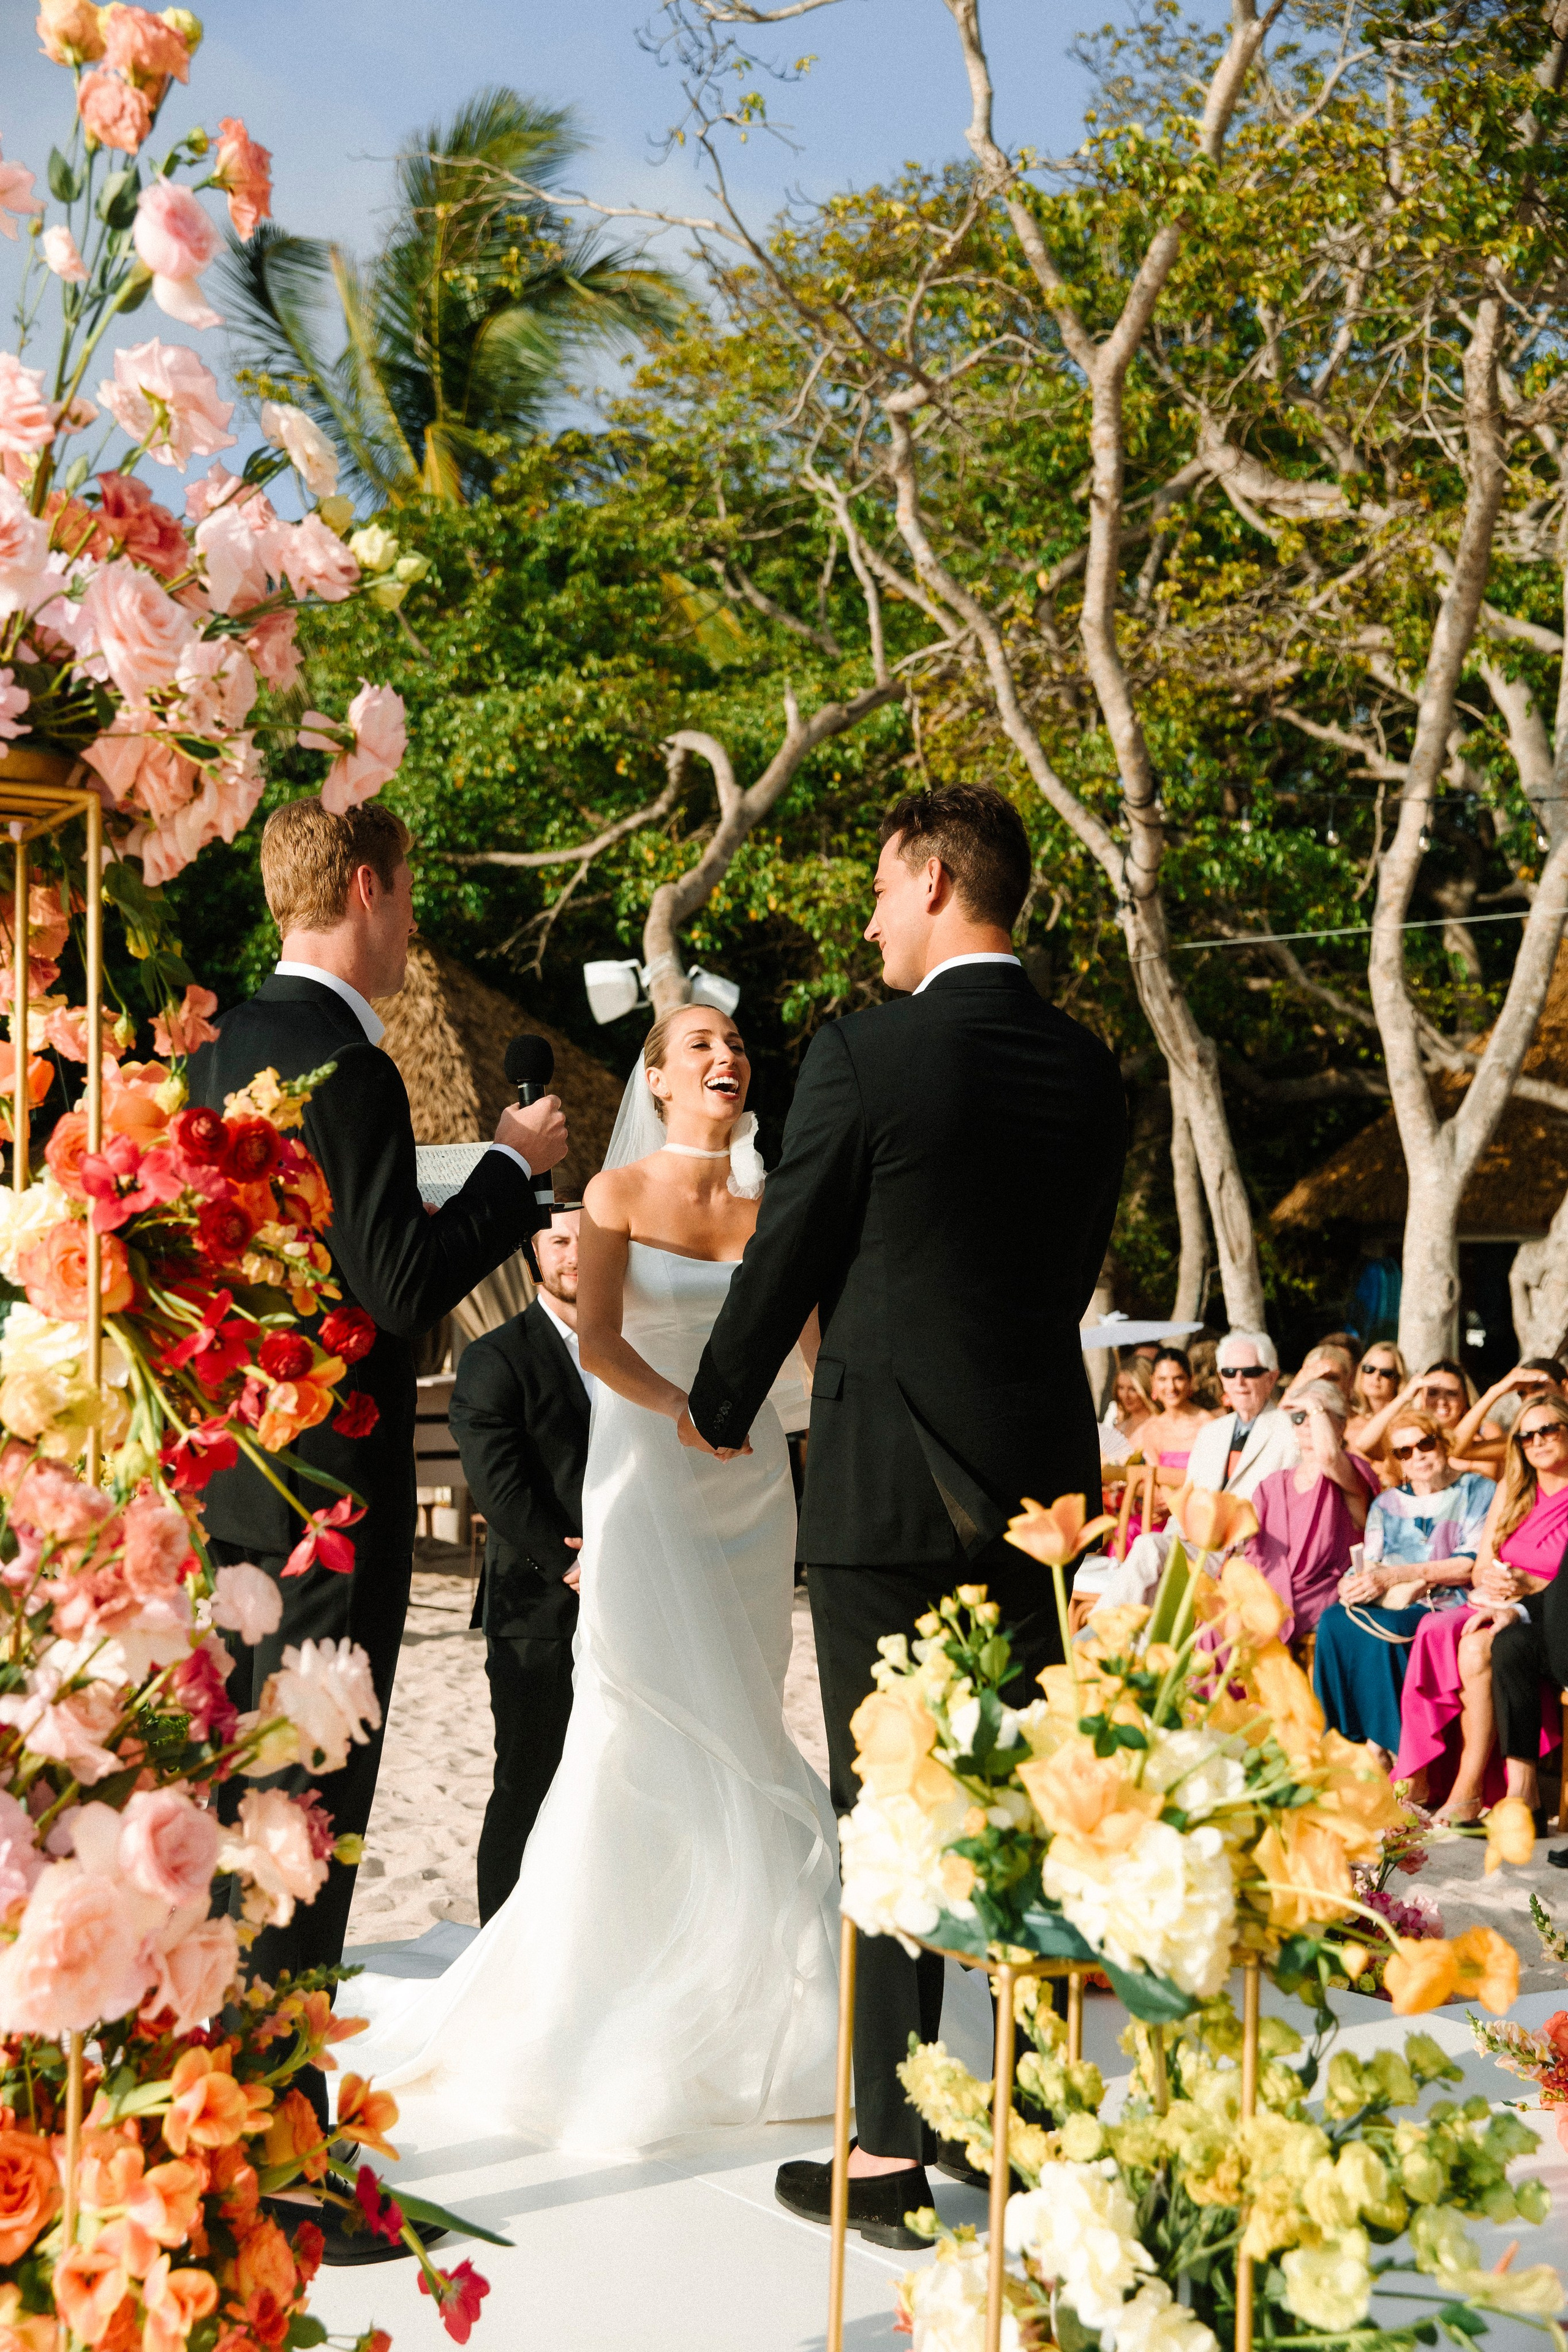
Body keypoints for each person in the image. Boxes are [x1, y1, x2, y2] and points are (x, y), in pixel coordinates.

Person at [683, 783, 1127, 2246]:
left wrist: (719, 1401)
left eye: (880, 887)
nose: (870, 918)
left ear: (935, 880)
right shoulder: (1087, 1067)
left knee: (891, 1810)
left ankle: (882, 2153)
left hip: (883, 1488)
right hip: (1045, 1485)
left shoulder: (865, 1053)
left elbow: (793, 1241)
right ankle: (1030, 2121)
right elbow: (1060, 1270)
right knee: (1024, 1801)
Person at [342, 1003, 840, 2150]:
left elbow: (812, 1360)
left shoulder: (774, 1212)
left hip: (753, 1488)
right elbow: (604, 1340)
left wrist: (785, 1402)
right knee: (644, 1719)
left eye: (735, 1045)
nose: (727, 1058)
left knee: (746, 1709)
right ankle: (612, 1984)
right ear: (658, 1080)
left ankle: (761, 1981)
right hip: (651, 1482)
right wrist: (688, 1412)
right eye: (700, 1045)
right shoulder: (611, 1199)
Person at [189, 801, 567, 2242]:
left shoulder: (213, 1050)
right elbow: (399, 1286)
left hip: (224, 1489)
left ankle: (217, 2132)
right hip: (324, 1511)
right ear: (364, 888)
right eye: (407, 898)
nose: (412, 927)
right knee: (312, 1829)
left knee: (234, 1826)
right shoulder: (346, 1065)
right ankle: (281, 2176)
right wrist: (509, 1171)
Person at [448, 1204, 591, 1925]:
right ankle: (498, 1941)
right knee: (528, 1780)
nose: (575, 1253)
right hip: (535, 1608)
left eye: (587, 1238)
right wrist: (573, 1564)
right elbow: (498, 1486)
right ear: (533, 1252)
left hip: (638, 1604)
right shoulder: (494, 1357)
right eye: (558, 1240)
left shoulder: (636, 1347)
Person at [1312, 1409, 1493, 1760]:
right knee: (1334, 1621)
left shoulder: (1478, 1489)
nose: (1418, 1456)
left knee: (1388, 1629)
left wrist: (1398, 1575)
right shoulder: (1386, 1503)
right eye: (1404, 1452)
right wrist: (1351, 1585)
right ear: (1397, 1461)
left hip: (1446, 1599)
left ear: (1443, 1443)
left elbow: (1468, 1565)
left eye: (1425, 1444)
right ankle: (1343, 1740)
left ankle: (1391, 1748)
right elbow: (1370, 1561)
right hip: (1391, 1596)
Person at [1431, 1392, 1568, 1825]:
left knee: (1487, 1641)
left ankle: (1472, 1789)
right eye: (1526, 1437)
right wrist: (1496, 1581)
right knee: (1492, 1643)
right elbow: (1483, 1564)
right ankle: (1518, 1795)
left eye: (1548, 1430)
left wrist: (1528, 1589)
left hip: (1559, 1617)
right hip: (1511, 1608)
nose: (1537, 1441)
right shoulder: (1516, 1487)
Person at [1245, 1381, 1376, 1645]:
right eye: (1299, 1417)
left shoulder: (1352, 1472)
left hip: (1317, 1591)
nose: (1307, 1423)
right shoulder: (1273, 1484)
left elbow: (1328, 1458)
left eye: (1318, 1416)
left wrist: (1312, 1406)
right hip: (1267, 1587)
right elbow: (1253, 1550)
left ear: (1340, 1425)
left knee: (1253, 1633)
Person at [1180, 1331, 1298, 1502]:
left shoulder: (1292, 1431)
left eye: (1250, 1372)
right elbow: (1188, 1501)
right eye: (1229, 1372)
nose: (1239, 1381)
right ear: (1222, 1378)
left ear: (1271, 1378)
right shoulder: (1209, 1433)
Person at [1446, 1359, 1567, 1479]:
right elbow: (1455, 1448)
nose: (1530, 1398)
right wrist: (1496, 1390)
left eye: (1538, 1387)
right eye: (1522, 1394)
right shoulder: (1528, 1440)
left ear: (1565, 1388)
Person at [1145, 1348, 1216, 1490]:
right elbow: (1152, 1482)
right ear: (1153, 1381)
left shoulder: (1208, 1425)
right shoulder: (1152, 1429)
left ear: (1191, 1380)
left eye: (1178, 1378)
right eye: (1162, 1379)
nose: (1171, 1387)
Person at [1344, 1342, 1408, 1456]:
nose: (1376, 1377)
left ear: (1398, 1380)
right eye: (1369, 1369)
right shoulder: (1347, 1416)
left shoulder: (1405, 1420)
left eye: (1386, 1373)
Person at [1100, 1356, 1154, 1461]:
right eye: (1121, 1387)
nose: (1125, 1396)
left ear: (1145, 1388)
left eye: (1132, 1389)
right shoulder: (1119, 1429)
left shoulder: (1158, 1425)